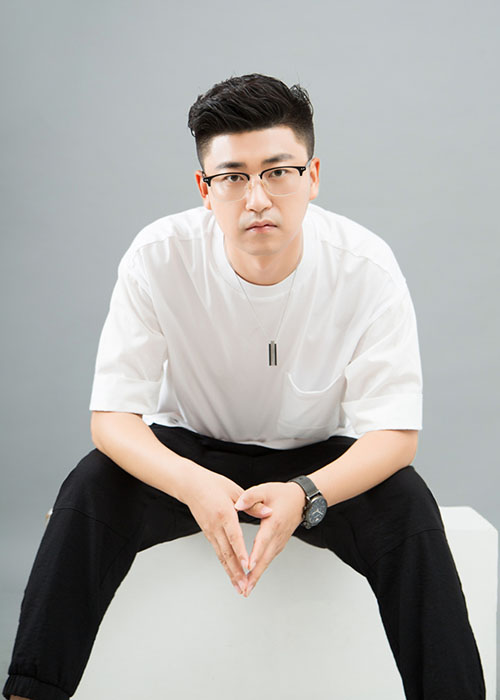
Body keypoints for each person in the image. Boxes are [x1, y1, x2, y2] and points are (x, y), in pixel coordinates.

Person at [4, 73, 485, 700]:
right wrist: (193, 484)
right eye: (233, 177)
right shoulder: (158, 256)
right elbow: (113, 418)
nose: (257, 198)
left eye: (278, 172)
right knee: (91, 485)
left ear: (313, 176)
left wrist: (305, 493)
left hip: (317, 460)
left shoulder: (366, 268)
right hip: (192, 450)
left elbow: (395, 435)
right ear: (205, 189)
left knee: (410, 506)